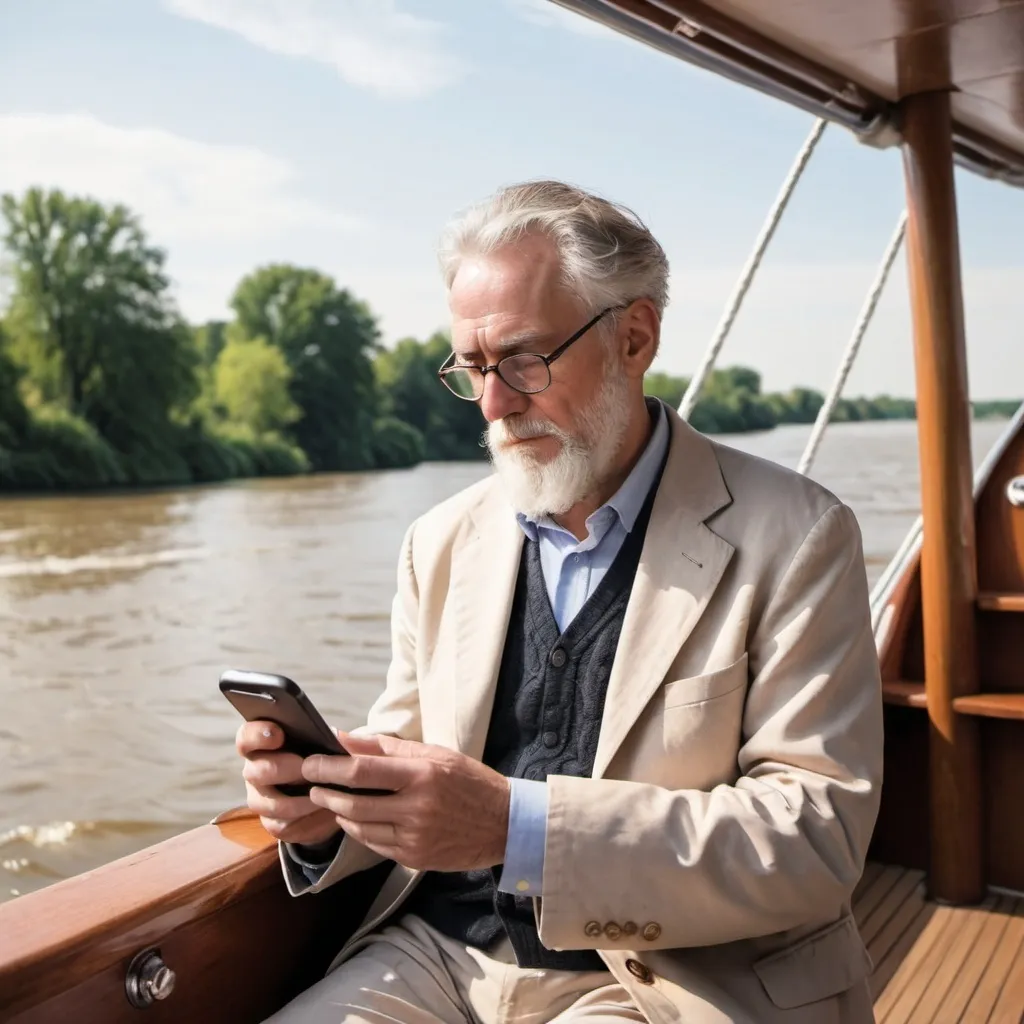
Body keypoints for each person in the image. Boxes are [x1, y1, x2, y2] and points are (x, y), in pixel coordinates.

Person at [237, 180, 884, 1024]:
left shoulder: (800, 534)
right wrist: (323, 806)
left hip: (668, 978)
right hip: (434, 953)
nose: (496, 405)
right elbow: (408, 762)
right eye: (472, 369)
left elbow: (813, 838)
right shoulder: (435, 543)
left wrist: (516, 828)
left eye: (523, 360)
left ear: (635, 337)